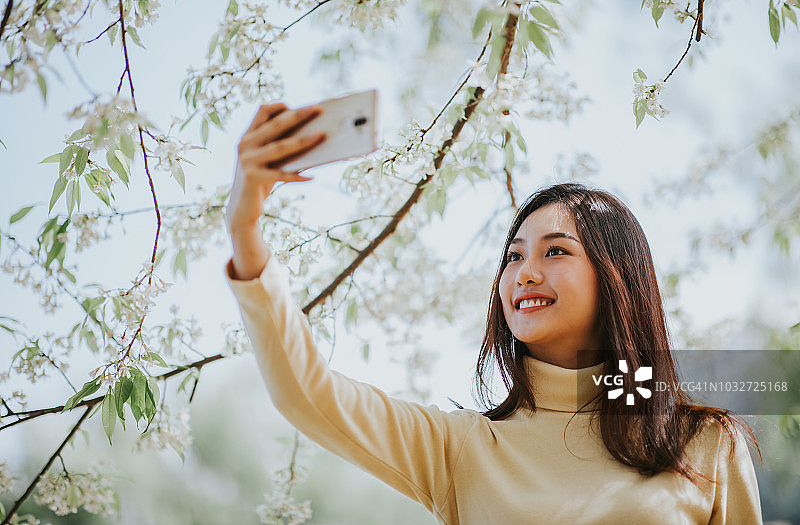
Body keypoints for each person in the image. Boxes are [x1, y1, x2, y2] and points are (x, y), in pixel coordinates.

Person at [224, 102, 764, 524]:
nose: (524, 274)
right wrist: (244, 230)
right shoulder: (461, 448)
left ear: (617, 280)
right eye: (513, 256)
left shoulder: (706, 443)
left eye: (556, 251)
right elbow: (307, 393)